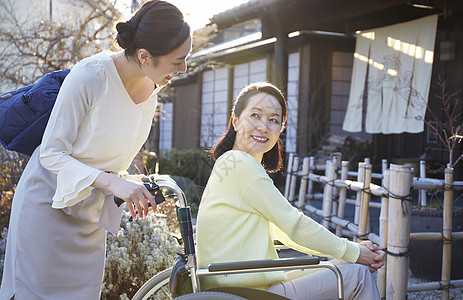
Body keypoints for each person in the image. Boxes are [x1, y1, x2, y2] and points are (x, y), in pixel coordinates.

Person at [0, 1, 191, 299]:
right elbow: (52, 154)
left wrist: (132, 183)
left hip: (88, 220)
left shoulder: (151, 94)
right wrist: (114, 182)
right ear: (144, 56)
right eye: (177, 61)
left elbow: (106, 162)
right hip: (47, 206)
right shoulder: (90, 76)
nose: (184, 69)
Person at [195, 82, 385, 300]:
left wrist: (351, 252)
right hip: (247, 292)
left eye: (273, 120)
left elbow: (283, 230)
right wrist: (353, 252)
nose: (264, 126)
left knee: (345, 264)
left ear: (281, 129)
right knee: (357, 275)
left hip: (238, 285)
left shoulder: (230, 163)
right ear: (236, 121)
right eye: (255, 115)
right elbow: (293, 223)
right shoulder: (240, 163)